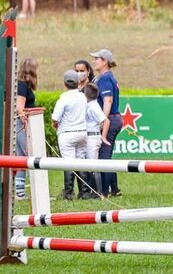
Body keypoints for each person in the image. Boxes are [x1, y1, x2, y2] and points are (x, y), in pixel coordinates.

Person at [51, 70, 89, 200]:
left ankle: (68, 192)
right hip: (82, 133)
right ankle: (84, 192)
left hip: (67, 133)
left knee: (68, 163)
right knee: (80, 161)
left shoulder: (64, 98)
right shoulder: (83, 97)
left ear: (65, 83)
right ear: (78, 82)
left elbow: (55, 118)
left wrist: (55, 125)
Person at [91, 48, 123, 198]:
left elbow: (107, 101)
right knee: (106, 155)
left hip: (110, 118)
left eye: (97, 58)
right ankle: (114, 188)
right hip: (113, 118)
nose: (94, 61)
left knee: (104, 157)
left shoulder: (104, 78)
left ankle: (105, 191)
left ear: (104, 62)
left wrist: (104, 121)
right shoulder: (109, 76)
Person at [15, 58, 38, 199]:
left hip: (20, 123)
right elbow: (19, 107)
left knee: (21, 157)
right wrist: (24, 122)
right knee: (29, 153)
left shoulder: (21, 84)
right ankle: (36, 189)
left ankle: (20, 191)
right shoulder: (22, 85)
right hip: (22, 123)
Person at [82, 83, 107, 198]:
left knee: (93, 165)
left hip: (92, 137)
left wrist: (101, 134)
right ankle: (93, 191)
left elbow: (105, 120)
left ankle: (98, 192)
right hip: (89, 136)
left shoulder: (93, 106)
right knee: (89, 165)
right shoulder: (90, 105)